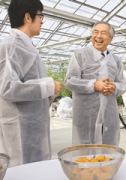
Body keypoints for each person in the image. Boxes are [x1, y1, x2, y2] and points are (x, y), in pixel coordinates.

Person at [0, 0, 63, 164]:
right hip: (20, 129)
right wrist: (49, 86)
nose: (42, 21)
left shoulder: (28, 47)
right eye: (41, 15)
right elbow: (8, 88)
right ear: (28, 17)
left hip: (32, 127)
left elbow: (29, 86)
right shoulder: (12, 46)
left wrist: (51, 93)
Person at [65, 21, 126, 145]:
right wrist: (94, 85)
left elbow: (123, 84)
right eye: (95, 32)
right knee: (85, 153)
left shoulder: (116, 60)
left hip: (109, 115)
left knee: (108, 152)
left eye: (103, 33)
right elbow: (70, 81)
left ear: (110, 38)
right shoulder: (80, 55)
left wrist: (114, 86)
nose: (98, 36)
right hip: (86, 116)